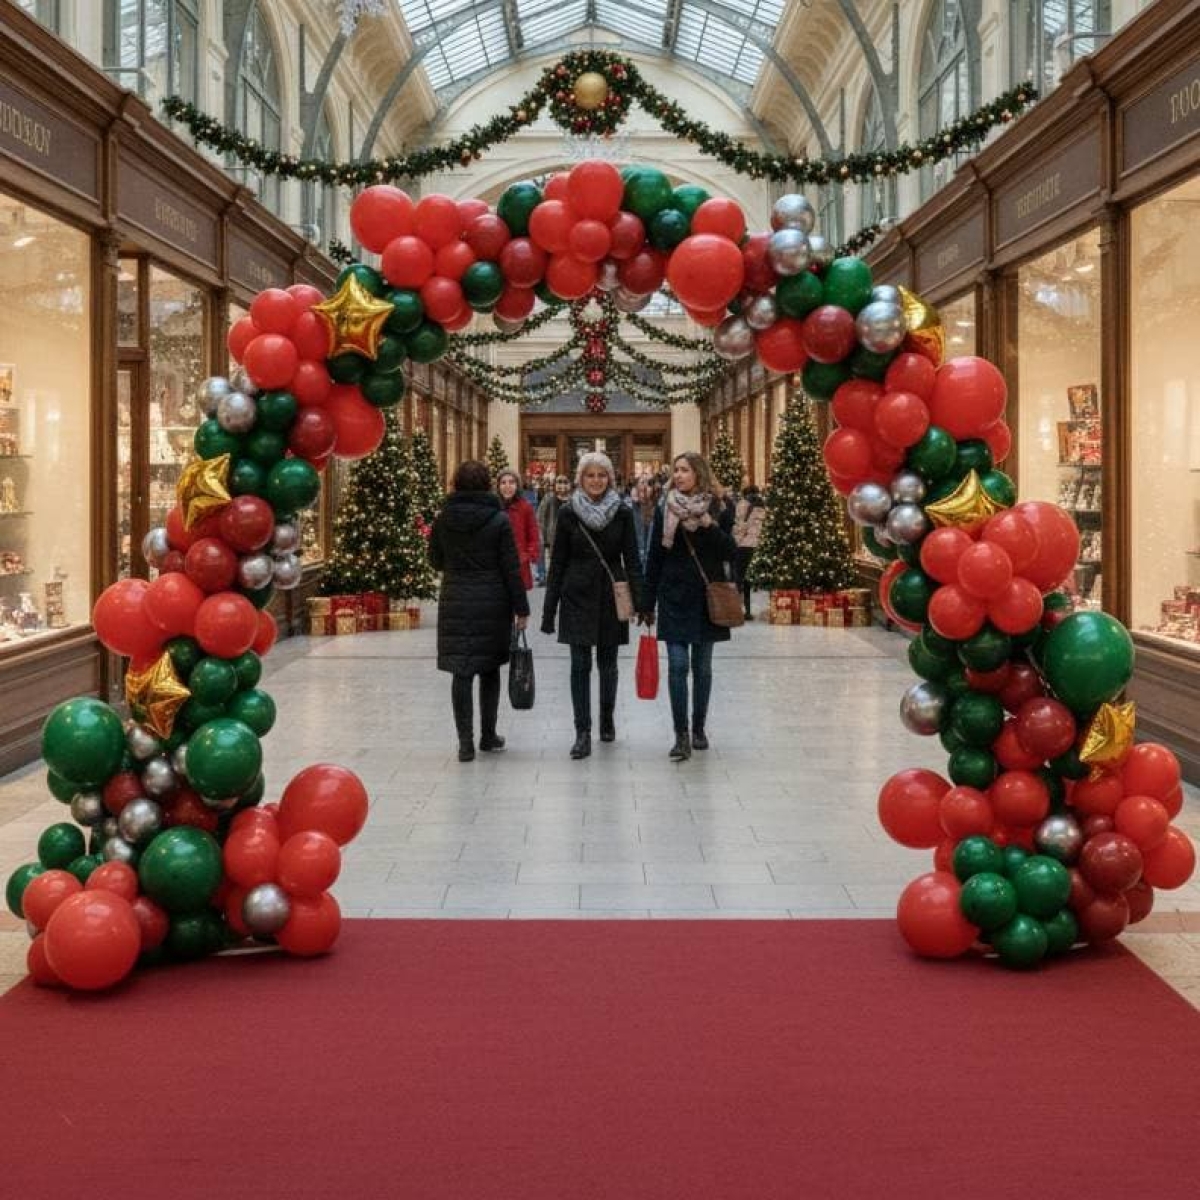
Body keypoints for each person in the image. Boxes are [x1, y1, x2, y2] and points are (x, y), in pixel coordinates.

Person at [542, 452, 648, 760]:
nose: (596, 481)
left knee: (608, 664)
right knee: (579, 665)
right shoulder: (567, 513)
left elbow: (633, 560)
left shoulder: (623, 513)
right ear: (581, 478)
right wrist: (549, 611)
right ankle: (582, 731)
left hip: (611, 595)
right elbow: (558, 563)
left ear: (610, 479)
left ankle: (606, 717)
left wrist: (641, 602)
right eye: (590, 475)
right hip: (576, 594)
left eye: (602, 475)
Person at [429, 460, 530, 763]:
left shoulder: (443, 519)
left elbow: (434, 560)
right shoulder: (498, 520)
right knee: (489, 669)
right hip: (492, 599)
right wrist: (521, 608)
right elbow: (511, 568)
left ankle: (465, 743)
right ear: (488, 484)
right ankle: (488, 734)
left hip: (456, 597)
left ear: (456, 484)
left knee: (461, 672)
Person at [643, 452, 737, 762]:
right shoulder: (664, 508)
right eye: (676, 470)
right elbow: (654, 556)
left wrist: (709, 525)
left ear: (698, 473)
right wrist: (647, 601)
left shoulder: (718, 507)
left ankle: (699, 728)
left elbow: (730, 551)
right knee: (678, 665)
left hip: (705, 597)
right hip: (673, 595)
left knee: (702, 668)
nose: (679, 475)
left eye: (684, 470)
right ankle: (680, 734)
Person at [496, 468, 540, 591]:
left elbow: (533, 534)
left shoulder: (525, 507)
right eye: (503, 483)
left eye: (511, 482)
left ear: (517, 485)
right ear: (498, 486)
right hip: (496, 565)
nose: (507, 486)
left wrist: (529, 555)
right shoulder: (493, 507)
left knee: (518, 605)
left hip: (519, 564)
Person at [733, 484, 766, 620]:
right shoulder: (762, 506)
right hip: (756, 545)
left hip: (743, 545)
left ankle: (738, 610)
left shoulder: (742, 504)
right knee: (749, 580)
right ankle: (748, 610)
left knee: (738, 579)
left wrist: (736, 539)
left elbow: (739, 524)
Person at [537, 474, 571, 585]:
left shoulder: (573, 500)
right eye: (559, 482)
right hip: (551, 533)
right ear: (555, 485)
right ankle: (545, 576)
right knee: (551, 557)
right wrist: (541, 533)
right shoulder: (549, 498)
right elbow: (540, 516)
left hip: (568, 534)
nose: (562, 486)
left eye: (565, 483)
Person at [631, 477, 659, 568]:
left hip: (648, 517)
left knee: (648, 545)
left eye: (647, 482)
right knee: (641, 546)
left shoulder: (653, 498)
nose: (645, 485)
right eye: (642, 482)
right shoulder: (633, 500)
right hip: (639, 523)